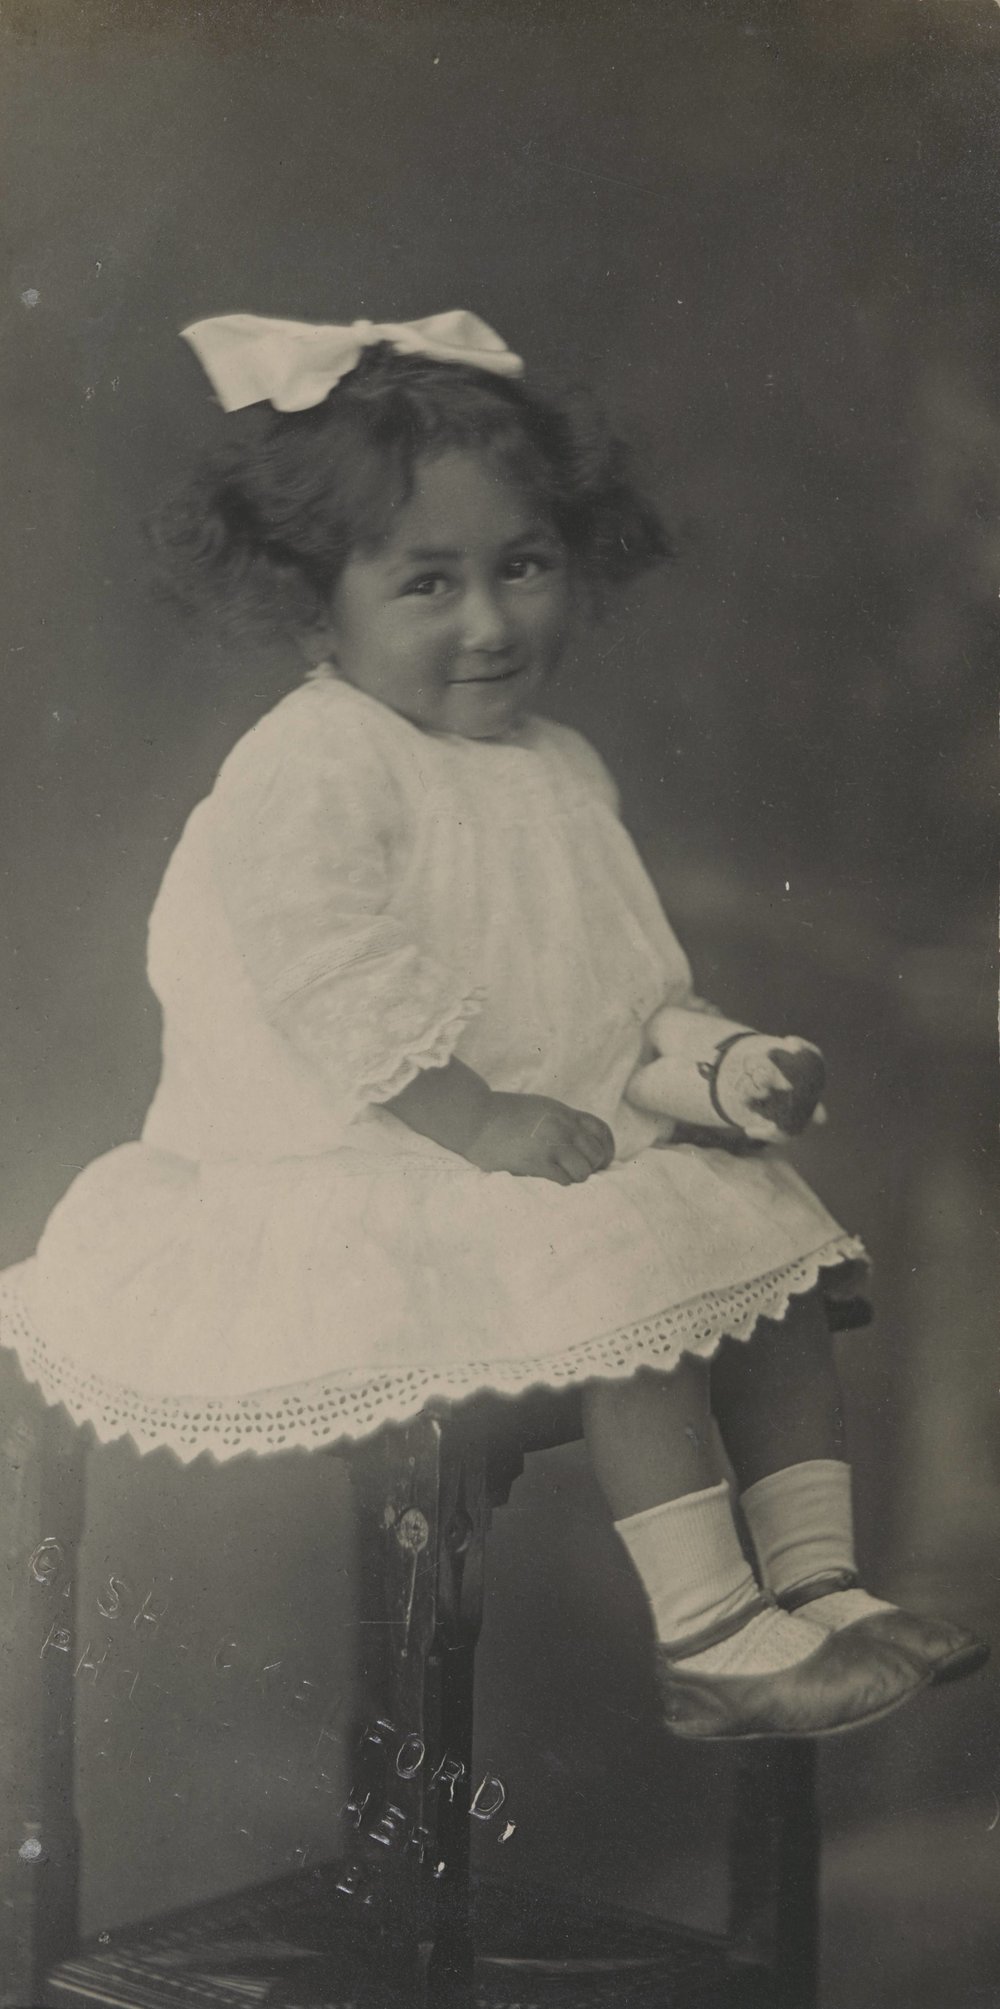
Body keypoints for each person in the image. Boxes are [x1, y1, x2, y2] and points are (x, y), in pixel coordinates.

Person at [0, 309, 986, 1742]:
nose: (490, 621)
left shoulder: (558, 768)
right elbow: (328, 975)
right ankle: (710, 1630)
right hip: (359, 1166)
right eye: (428, 583)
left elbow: (609, 995)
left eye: (522, 567)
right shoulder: (316, 764)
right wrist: (475, 1118)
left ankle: (821, 1587)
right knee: (628, 1272)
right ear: (313, 603)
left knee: (758, 1253)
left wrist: (716, 1064)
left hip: (532, 1147)